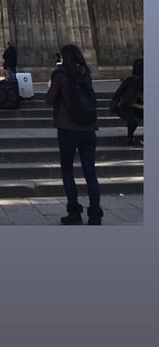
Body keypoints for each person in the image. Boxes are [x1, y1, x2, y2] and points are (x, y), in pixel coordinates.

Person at [45, 43, 103, 226]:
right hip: (89, 129)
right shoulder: (86, 74)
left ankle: (74, 213)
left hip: (68, 129)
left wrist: (51, 84)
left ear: (63, 58)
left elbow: (49, 100)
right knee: (90, 172)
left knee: (67, 171)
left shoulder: (60, 76)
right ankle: (95, 214)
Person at [111, 57, 144, 147]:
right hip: (125, 108)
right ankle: (130, 138)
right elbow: (127, 102)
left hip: (137, 107)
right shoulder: (132, 82)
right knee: (133, 120)